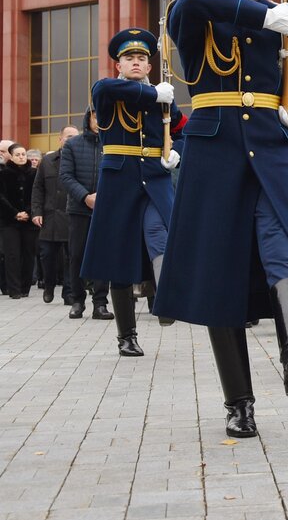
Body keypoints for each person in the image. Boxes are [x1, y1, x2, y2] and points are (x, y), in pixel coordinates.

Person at [157, 0, 288, 438]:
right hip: (216, 152)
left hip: (273, 148)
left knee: (284, 240)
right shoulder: (197, 9)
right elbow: (192, 4)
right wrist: (262, 17)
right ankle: (239, 402)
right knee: (220, 273)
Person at [80, 29, 183, 356]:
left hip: (155, 177)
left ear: (150, 66)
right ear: (119, 65)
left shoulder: (164, 97)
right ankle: (127, 336)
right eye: (129, 59)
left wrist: (177, 151)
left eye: (141, 59)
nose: (136, 62)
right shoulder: (107, 90)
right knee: (120, 258)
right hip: (120, 181)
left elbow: (182, 130)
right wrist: (153, 94)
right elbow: (105, 88)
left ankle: (165, 298)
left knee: (159, 231)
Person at [59, 110, 111, 319]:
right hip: (79, 209)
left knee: (102, 255)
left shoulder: (112, 144)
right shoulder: (72, 145)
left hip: (104, 209)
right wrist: (85, 197)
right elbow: (65, 176)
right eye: (96, 116)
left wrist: (103, 196)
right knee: (77, 255)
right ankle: (77, 301)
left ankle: (100, 303)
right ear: (88, 118)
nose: (99, 120)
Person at [31, 125, 78, 303]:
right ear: (60, 139)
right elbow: (37, 189)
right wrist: (36, 211)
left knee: (71, 257)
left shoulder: (79, 161)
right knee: (47, 255)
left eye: (75, 137)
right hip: (49, 217)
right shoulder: (47, 161)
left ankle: (69, 292)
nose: (72, 140)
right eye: (68, 136)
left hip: (71, 215)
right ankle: (49, 286)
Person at [0, 144, 39, 298]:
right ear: (11, 156)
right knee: (12, 255)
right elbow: (1, 197)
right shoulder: (3, 173)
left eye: (23, 154)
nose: (21, 157)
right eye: (18, 155)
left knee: (29, 254)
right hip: (9, 221)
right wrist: (15, 213)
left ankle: (25, 288)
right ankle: (14, 289)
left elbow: (37, 195)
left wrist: (28, 212)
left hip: (29, 221)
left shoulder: (34, 173)